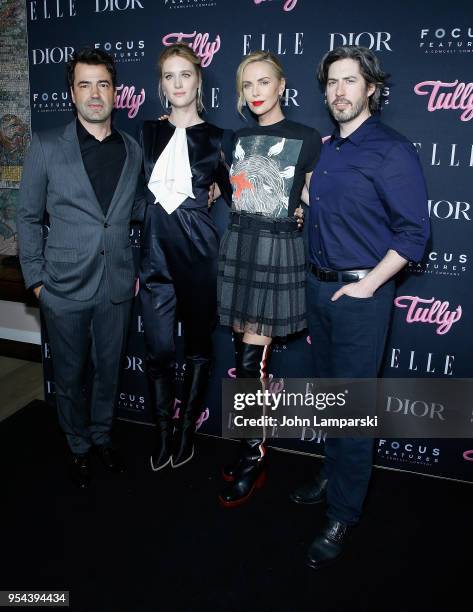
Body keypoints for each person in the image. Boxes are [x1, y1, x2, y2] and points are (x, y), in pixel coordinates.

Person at [289, 45, 430, 569]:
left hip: (359, 298)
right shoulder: (324, 150)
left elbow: (415, 232)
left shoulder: (391, 150)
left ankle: (344, 512)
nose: (339, 91)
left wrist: (369, 285)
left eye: (350, 81)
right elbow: (325, 209)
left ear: (371, 88)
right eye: (331, 82)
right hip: (320, 290)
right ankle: (332, 472)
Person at [17, 48, 145, 488]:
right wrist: (36, 282)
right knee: (69, 377)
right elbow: (28, 218)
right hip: (63, 288)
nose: (95, 93)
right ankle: (77, 446)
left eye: (103, 84)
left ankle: (102, 436)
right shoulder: (47, 144)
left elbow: (141, 210)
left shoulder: (131, 148)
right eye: (84, 84)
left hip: (115, 286)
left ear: (116, 92)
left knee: (109, 372)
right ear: (72, 93)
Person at [217, 51, 321, 507]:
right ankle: (250, 447)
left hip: (276, 251)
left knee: (249, 362)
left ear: (281, 86)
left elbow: (318, 197)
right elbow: (229, 190)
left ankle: (254, 455)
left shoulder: (306, 138)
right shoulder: (236, 139)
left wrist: (303, 207)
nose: (255, 93)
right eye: (247, 85)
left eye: (263, 83)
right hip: (239, 246)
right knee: (245, 359)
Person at [139, 44, 232, 472]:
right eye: (169, 77)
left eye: (185, 75)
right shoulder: (148, 133)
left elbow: (242, 194)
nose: (178, 83)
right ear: (162, 85)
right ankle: (161, 432)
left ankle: (184, 434)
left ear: (198, 81)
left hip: (199, 252)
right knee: (158, 348)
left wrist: (296, 204)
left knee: (197, 347)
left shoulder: (218, 139)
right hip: (155, 253)